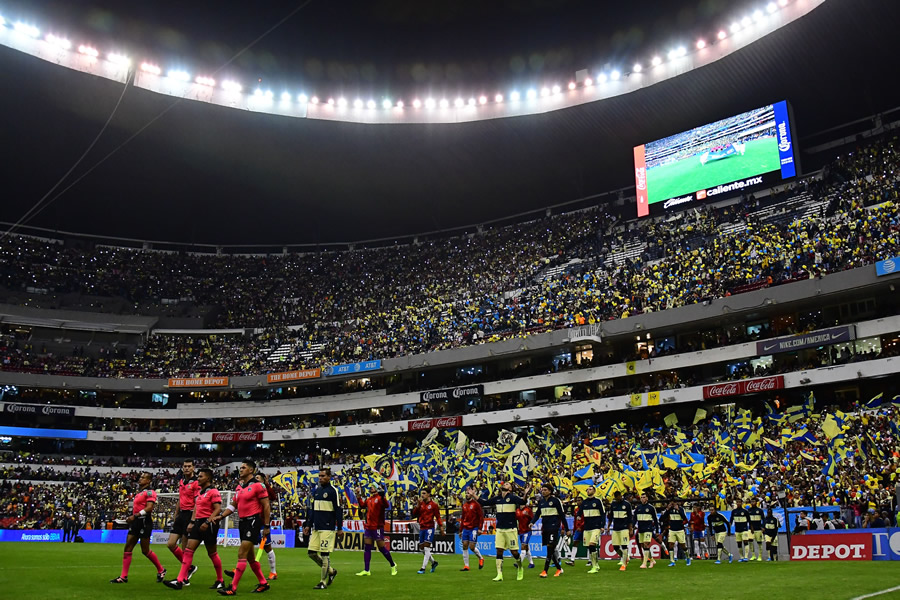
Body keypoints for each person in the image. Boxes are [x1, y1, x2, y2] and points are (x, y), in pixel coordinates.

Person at [212, 460, 271, 595]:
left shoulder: (258, 486)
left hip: (253, 521)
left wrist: (266, 525)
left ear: (251, 470)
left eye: (244, 467)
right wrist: (221, 516)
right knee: (250, 557)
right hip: (243, 522)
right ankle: (263, 583)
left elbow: (266, 505)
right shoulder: (239, 487)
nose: (241, 469)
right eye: (241, 467)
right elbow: (233, 506)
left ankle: (232, 588)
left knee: (241, 553)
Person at [163, 468, 225, 590]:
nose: (198, 478)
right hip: (198, 522)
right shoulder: (201, 492)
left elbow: (218, 509)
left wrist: (207, 521)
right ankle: (180, 580)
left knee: (212, 553)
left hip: (209, 524)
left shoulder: (213, 491)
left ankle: (220, 580)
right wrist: (193, 522)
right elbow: (197, 507)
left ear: (207, 478)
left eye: (201, 476)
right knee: (188, 550)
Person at [110, 471, 167, 584]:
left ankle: (161, 569)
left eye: (143, 477)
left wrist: (135, 516)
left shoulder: (150, 492)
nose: (140, 479)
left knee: (145, 550)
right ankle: (123, 576)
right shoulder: (139, 493)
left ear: (148, 481)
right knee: (128, 547)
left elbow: (149, 508)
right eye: (141, 477)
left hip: (144, 522)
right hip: (136, 522)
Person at [303, 468, 343, 589]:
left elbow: (338, 510)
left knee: (325, 555)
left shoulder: (333, 491)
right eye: (319, 476)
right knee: (311, 553)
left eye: (323, 476)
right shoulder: (317, 491)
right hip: (316, 528)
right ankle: (331, 571)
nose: (320, 478)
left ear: (329, 477)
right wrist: (308, 525)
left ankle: (323, 582)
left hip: (327, 527)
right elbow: (313, 511)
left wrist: (339, 527)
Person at [480, 481, 527, 581]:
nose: (504, 484)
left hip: (511, 529)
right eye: (504, 484)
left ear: (510, 489)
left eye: (507, 484)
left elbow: (523, 502)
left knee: (514, 552)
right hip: (500, 529)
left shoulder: (513, 498)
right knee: (499, 550)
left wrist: (526, 494)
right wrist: (473, 495)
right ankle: (499, 574)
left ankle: (520, 567)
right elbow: (484, 503)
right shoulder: (497, 499)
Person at [355, 484, 397, 576]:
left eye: (372, 487)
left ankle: (393, 565)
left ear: (377, 489)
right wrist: (358, 495)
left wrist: (383, 496)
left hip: (377, 527)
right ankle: (367, 570)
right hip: (369, 526)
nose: (371, 488)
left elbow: (386, 505)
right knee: (367, 548)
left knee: (381, 548)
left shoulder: (380, 498)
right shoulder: (369, 499)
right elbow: (362, 505)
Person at [167, 460, 200, 573]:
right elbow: (180, 499)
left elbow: (197, 502)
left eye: (189, 466)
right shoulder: (182, 481)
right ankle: (189, 568)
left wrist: (193, 520)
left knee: (185, 548)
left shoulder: (196, 482)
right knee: (171, 544)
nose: (186, 468)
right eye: (185, 466)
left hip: (190, 514)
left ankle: (184, 576)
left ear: (193, 468)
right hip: (181, 514)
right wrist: (176, 515)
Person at [531, 482, 568, 578]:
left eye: (545, 490)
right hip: (545, 528)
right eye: (542, 490)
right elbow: (537, 514)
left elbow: (562, 516)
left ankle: (545, 571)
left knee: (549, 548)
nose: (543, 492)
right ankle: (559, 568)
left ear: (550, 491)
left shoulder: (556, 501)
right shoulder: (541, 502)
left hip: (554, 527)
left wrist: (566, 528)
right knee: (550, 550)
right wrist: (532, 522)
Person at [412, 489, 444, 575]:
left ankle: (423, 568)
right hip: (422, 527)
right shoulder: (421, 504)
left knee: (426, 548)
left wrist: (441, 527)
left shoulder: (434, 505)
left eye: (424, 493)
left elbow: (438, 516)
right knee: (422, 548)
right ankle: (433, 562)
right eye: (421, 493)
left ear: (428, 494)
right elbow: (414, 513)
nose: (422, 495)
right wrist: (418, 505)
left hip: (429, 528)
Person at [254, 473, 278, 580]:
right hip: (252, 522)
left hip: (263, 522)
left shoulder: (265, 489)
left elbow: (273, 497)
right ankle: (239, 569)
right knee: (247, 545)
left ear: (263, 480)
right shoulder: (252, 489)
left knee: (266, 546)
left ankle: (273, 572)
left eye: (258, 478)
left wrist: (267, 485)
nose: (256, 480)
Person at [458, 487, 485, 571]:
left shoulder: (476, 504)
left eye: (468, 493)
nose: (467, 495)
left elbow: (481, 516)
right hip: (465, 528)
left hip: (474, 528)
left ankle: (481, 558)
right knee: (465, 545)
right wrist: (460, 530)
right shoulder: (464, 505)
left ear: (471, 495)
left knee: (472, 547)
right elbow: (463, 518)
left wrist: (480, 528)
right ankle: (466, 566)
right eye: (466, 493)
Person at [579, 486, 605, 574]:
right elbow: (579, 512)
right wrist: (578, 516)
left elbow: (602, 514)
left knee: (592, 544)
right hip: (587, 528)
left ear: (594, 491)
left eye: (590, 489)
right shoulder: (584, 502)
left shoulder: (598, 501)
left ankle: (594, 566)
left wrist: (602, 525)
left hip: (596, 527)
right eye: (587, 489)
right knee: (589, 547)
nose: (588, 490)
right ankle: (595, 563)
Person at [606, 490, 634, 571]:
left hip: (624, 528)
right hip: (616, 528)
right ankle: (625, 557)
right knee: (615, 546)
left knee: (624, 546)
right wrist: (608, 527)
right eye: (617, 497)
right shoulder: (613, 504)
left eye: (619, 497)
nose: (618, 499)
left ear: (621, 496)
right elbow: (611, 517)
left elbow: (630, 518)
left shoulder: (627, 504)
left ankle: (624, 564)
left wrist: (630, 529)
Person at [661, 500, 691, 567]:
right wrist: (667, 509)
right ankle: (672, 561)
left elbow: (684, 518)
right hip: (672, 530)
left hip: (680, 530)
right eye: (672, 503)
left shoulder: (681, 509)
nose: (673, 504)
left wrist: (678, 510)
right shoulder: (670, 510)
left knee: (683, 545)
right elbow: (663, 517)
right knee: (671, 544)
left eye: (674, 503)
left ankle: (688, 557)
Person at [633, 493, 659, 569]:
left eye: (644, 497)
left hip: (648, 529)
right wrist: (632, 526)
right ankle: (652, 560)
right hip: (641, 529)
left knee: (646, 544)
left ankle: (644, 564)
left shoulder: (651, 508)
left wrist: (657, 530)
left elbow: (655, 520)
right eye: (641, 497)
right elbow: (635, 518)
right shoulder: (638, 508)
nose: (642, 499)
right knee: (643, 545)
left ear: (647, 498)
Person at [515, 498, 535, 569]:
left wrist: (530, 520)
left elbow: (533, 518)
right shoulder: (517, 511)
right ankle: (531, 563)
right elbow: (516, 520)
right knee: (526, 548)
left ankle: (519, 562)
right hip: (520, 531)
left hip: (527, 531)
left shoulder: (528, 510)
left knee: (523, 546)